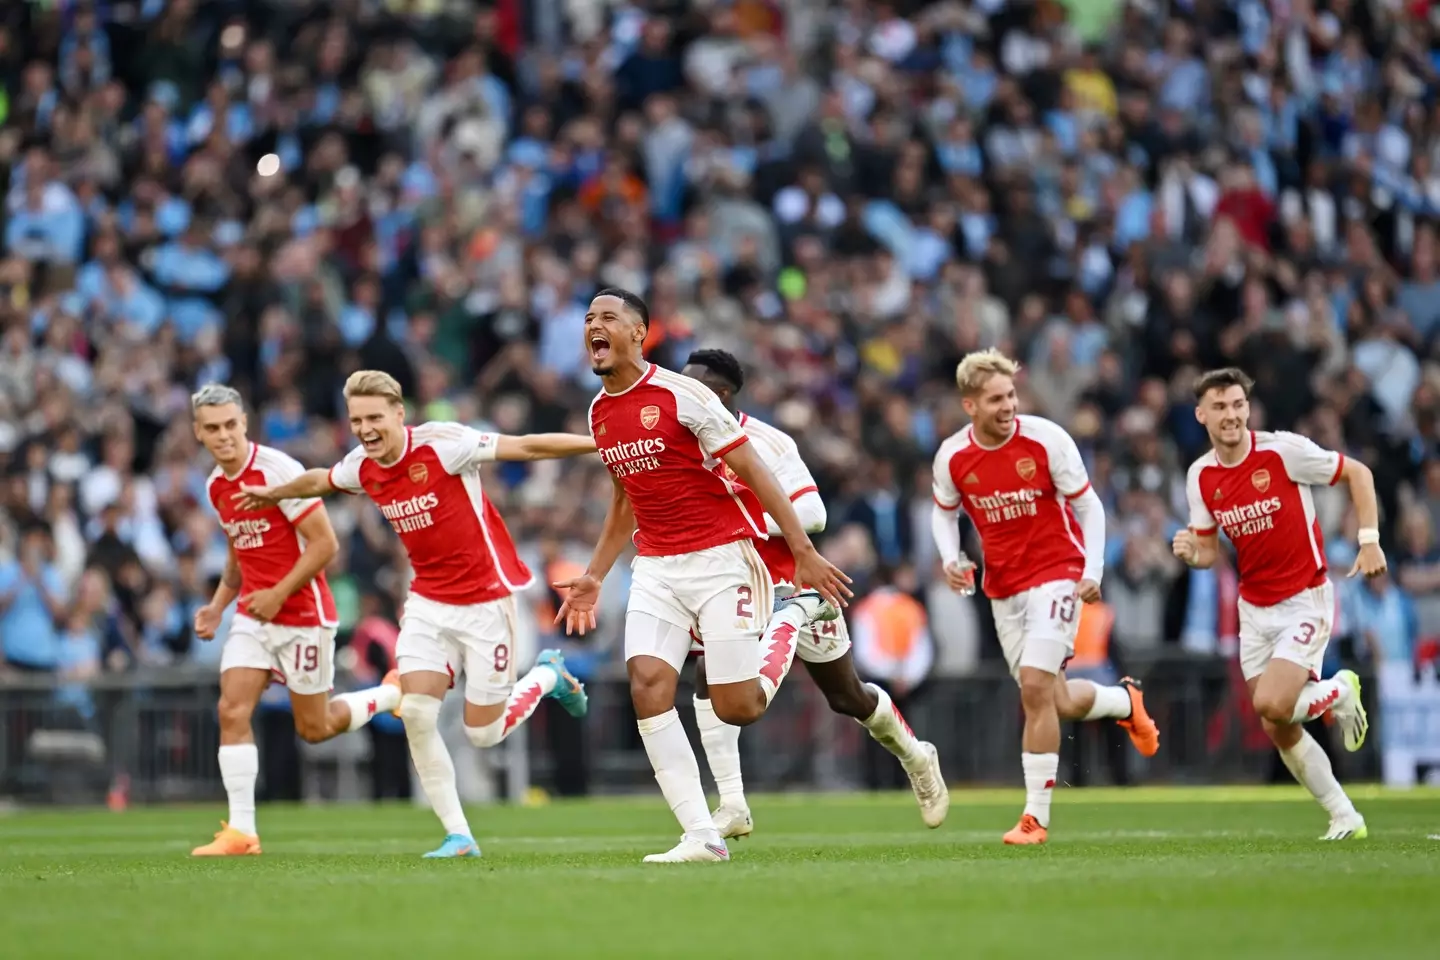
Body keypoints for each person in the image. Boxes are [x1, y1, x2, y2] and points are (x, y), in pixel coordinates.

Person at [233, 370, 595, 858]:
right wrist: (275, 493)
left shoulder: (444, 445)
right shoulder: (363, 465)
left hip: (487, 600)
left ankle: (548, 677)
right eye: (357, 419)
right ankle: (458, 835)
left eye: (374, 417)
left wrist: (599, 444)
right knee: (419, 713)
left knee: (482, 734)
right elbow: (323, 479)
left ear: (399, 413)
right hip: (428, 603)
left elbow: (526, 447)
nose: (365, 428)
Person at [553, 289, 851, 864]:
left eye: (608, 317)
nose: (595, 325)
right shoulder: (598, 412)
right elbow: (624, 501)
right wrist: (594, 574)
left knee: (736, 706)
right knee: (646, 682)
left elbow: (752, 468)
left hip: (723, 559)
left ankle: (790, 619)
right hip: (658, 567)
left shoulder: (682, 395)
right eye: (589, 318)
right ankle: (701, 836)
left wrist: (802, 551)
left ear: (639, 333)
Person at [679, 349, 947, 836]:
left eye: (691, 387)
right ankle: (733, 804)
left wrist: (732, 523)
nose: (680, 396)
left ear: (718, 395)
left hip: (793, 584)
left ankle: (916, 755)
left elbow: (814, 514)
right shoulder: (680, 446)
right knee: (707, 672)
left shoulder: (767, 442)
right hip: (733, 586)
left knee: (846, 697)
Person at [930, 350, 1159, 845]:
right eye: (995, 399)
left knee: (1033, 687)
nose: (1008, 405)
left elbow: (1090, 507)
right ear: (970, 406)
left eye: (1011, 394)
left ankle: (1035, 818)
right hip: (1004, 587)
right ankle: (1124, 701)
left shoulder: (1048, 440)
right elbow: (944, 512)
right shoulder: (953, 456)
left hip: (1058, 574)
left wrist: (1092, 571)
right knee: (1056, 700)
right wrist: (951, 558)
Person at [189, 383, 402, 856]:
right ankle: (242, 832)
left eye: (230, 425)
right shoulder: (215, 486)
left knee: (315, 728)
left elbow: (326, 544)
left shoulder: (277, 470)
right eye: (212, 429)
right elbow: (238, 553)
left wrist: (278, 592)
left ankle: (389, 694)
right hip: (253, 615)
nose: (223, 436)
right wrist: (219, 605)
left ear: (244, 424)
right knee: (231, 710)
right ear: (198, 433)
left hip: (303, 613)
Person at [1172, 367, 1381, 840]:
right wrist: (1191, 553)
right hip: (1255, 609)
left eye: (1238, 405)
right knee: (1277, 726)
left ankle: (1341, 689)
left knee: (1272, 703)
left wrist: (1369, 541)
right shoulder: (1200, 476)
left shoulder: (1282, 451)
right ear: (1201, 414)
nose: (1231, 415)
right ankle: (1344, 815)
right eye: (1220, 407)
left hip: (1305, 598)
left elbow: (1358, 473)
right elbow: (1208, 551)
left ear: (1248, 408)